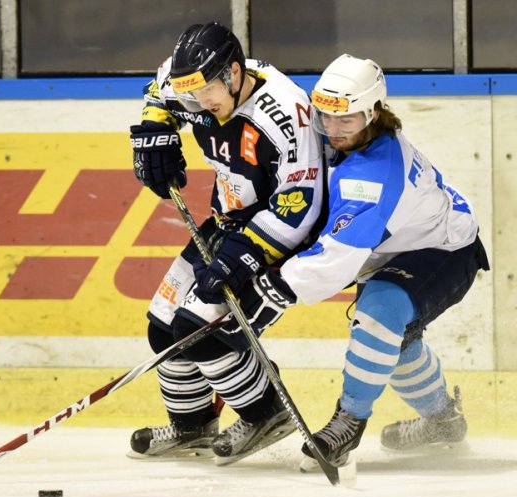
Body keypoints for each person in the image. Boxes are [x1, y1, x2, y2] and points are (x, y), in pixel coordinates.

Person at [228, 54, 490, 466]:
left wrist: (279, 284)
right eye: (325, 118)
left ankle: (347, 423)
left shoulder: (372, 175)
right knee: (395, 344)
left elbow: (340, 256)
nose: (332, 130)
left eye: (345, 120)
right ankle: (444, 421)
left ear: (373, 113)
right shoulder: (344, 141)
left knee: (379, 313)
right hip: (394, 244)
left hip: (445, 248)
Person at [128, 21, 325, 462]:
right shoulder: (198, 81)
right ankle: (192, 425)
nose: (200, 104)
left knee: (199, 332)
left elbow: (301, 208)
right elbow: (158, 90)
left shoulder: (285, 114)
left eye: (208, 94)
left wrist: (246, 257)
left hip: (280, 238)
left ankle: (265, 413)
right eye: (193, 95)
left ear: (234, 73)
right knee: (162, 327)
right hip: (229, 221)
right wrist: (152, 135)